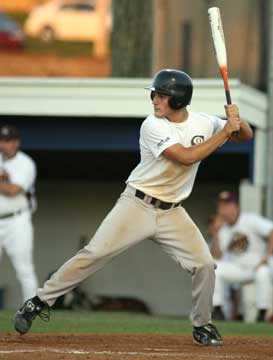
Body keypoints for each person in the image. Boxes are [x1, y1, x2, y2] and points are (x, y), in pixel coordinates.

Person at [14, 69, 253, 346]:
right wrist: (223, 131)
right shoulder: (152, 125)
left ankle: (203, 325)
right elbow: (186, 158)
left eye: (161, 96)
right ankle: (38, 301)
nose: (155, 100)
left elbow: (243, 135)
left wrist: (237, 120)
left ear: (178, 100)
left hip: (172, 211)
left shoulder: (203, 122)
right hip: (137, 204)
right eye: (155, 94)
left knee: (205, 265)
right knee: (94, 253)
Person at [212, 191, 273, 322]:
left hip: (258, 265)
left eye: (227, 206)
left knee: (262, 273)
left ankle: (262, 314)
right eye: (221, 207)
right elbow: (217, 256)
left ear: (236, 207)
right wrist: (215, 233)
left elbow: (271, 231)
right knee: (214, 268)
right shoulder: (222, 230)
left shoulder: (250, 219)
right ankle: (217, 310)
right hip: (239, 268)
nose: (223, 210)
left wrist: (266, 258)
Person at [0, 124, 38, 302]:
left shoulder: (25, 163)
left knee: (24, 270)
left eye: (8, 141)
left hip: (17, 221)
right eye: (2, 140)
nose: (4, 144)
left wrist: (5, 184)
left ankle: (29, 312)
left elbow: (13, 190)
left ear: (16, 143)